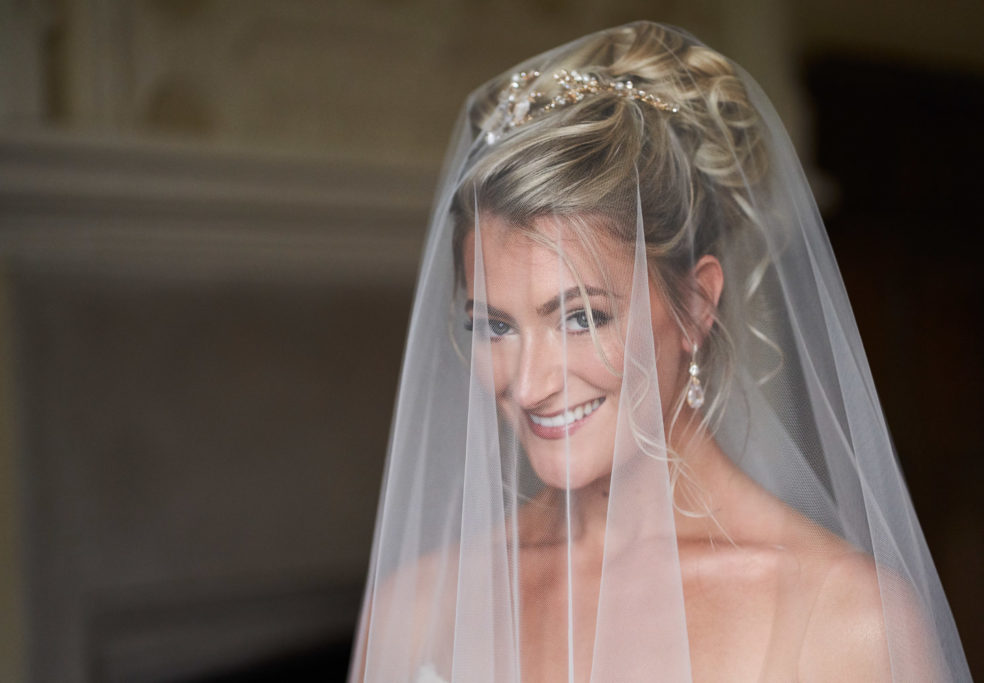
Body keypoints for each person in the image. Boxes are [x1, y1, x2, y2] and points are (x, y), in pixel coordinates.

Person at [347, 21, 969, 682]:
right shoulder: (414, 608)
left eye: (581, 317)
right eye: (495, 326)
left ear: (697, 304)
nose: (527, 385)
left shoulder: (844, 620)